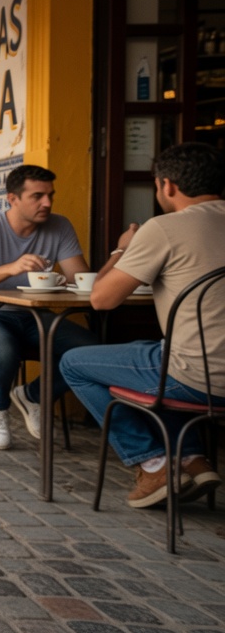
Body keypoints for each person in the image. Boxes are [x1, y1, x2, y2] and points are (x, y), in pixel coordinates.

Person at [61, 142, 225, 508]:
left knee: (73, 362)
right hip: (199, 368)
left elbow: (101, 299)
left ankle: (153, 462)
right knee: (156, 352)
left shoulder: (164, 228)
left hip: (199, 378)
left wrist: (123, 249)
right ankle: (193, 458)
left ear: (167, 185)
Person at [0, 165, 98, 450]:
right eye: (37, 196)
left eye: (50, 195)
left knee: (88, 348)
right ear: (12, 198)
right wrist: (12, 268)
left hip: (31, 314)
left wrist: (120, 254)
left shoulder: (60, 225)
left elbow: (78, 277)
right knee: (3, 349)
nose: (47, 203)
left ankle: (34, 395)